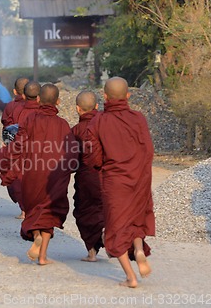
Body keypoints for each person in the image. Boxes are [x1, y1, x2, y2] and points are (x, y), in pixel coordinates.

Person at [84, 77, 155, 288]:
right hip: (140, 178)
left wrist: (102, 167)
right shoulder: (139, 118)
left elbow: (93, 156)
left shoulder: (98, 121)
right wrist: (140, 172)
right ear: (128, 96)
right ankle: (139, 249)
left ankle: (131, 277)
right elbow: (148, 150)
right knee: (136, 217)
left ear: (104, 96)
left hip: (115, 181)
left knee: (116, 228)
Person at [0, 83, 77, 265]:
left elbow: (18, 145)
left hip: (32, 173)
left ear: (39, 99)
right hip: (55, 176)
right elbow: (72, 152)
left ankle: (36, 236)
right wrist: (70, 169)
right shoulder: (63, 125)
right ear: (58, 101)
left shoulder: (29, 120)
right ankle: (42, 257)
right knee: (49, 212)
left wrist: (8, 160)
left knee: (34, 210)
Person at [0, 79, 40, 220]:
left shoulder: (13, 107)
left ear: (16, 92)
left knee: (18, 177)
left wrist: (8, 145)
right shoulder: (43, 109)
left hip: (18, 149)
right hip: (38, 151)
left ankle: (24, 210)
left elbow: (7, 127)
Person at [71, 91, 105, 262]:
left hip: (86, 178)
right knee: (107, 209)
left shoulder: (76, 131)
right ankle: (107, 233)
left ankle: (92, 252)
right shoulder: (108, 125)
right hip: (110, 176)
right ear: (97, 106)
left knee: (85, 212)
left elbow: (71, 161)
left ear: (78, 109)